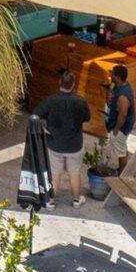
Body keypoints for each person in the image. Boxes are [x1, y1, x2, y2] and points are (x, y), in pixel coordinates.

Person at [33, 68, 93, 208]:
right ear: (73, 84)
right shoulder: (80, 102)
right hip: (75, 145)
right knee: (74, 173)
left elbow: (35, 115)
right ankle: (77, 200)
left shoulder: (51, 101)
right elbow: (87, 118)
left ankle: (50, 202)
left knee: (55, 173)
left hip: (55, 143)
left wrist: (43, 129)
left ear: (60, 82)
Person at [103, 65, 136, 175]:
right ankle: (123, 169)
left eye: (112, 74)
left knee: (120, 150)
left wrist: (116, 129)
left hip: (122, 126)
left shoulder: (123, 96)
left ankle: (122, 174)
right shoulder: (120, 85)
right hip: (117, 122)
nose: (110, 75)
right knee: (122, 146)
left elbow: (123, 115)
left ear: (117, 77)